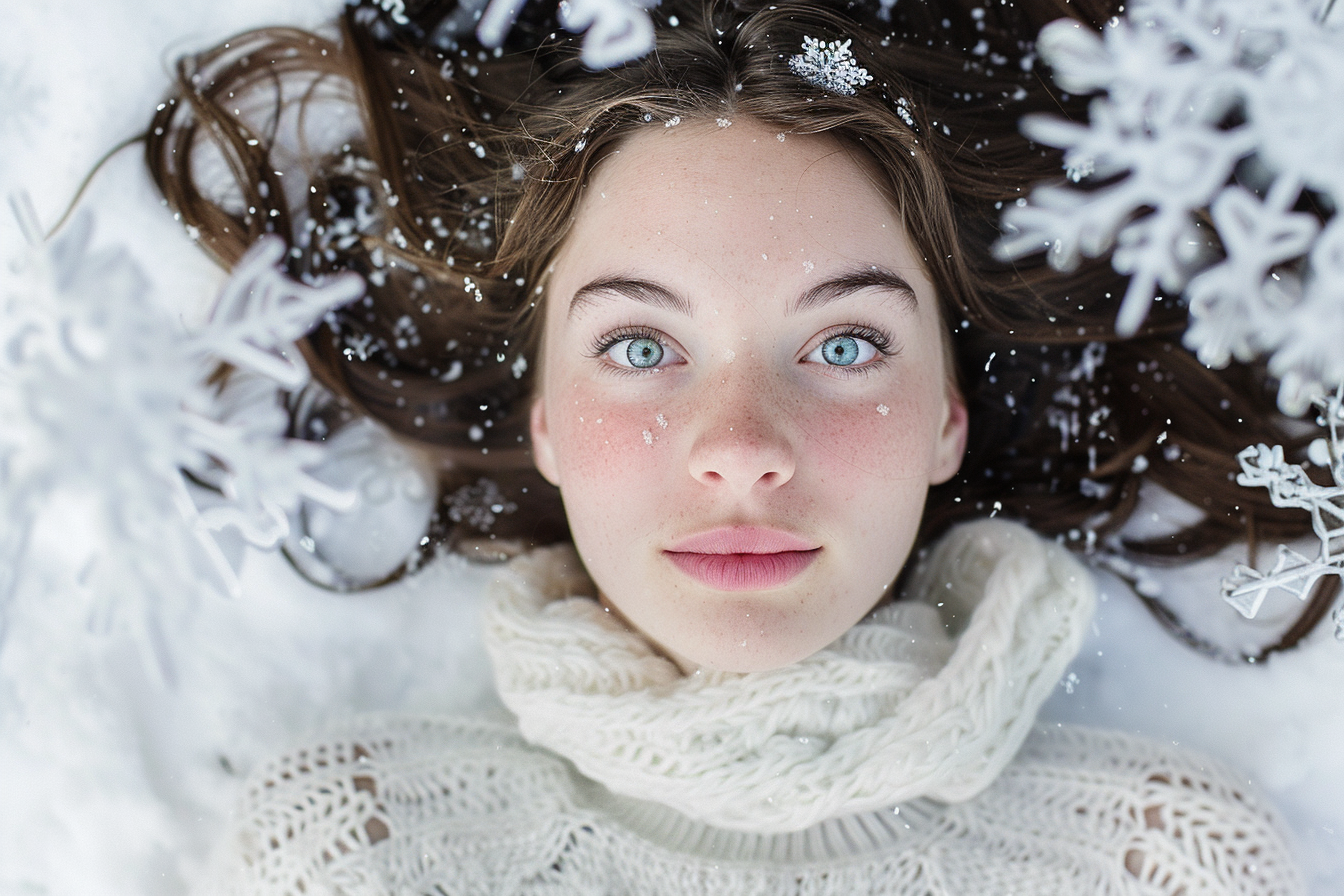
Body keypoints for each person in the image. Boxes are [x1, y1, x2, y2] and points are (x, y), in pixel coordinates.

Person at [147, 0, 1317, 892]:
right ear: (543, 416)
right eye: (644, 347)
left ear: (947, 415)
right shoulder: (359, 849)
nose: (743, 448)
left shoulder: (1160, 863)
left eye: (848, 344)